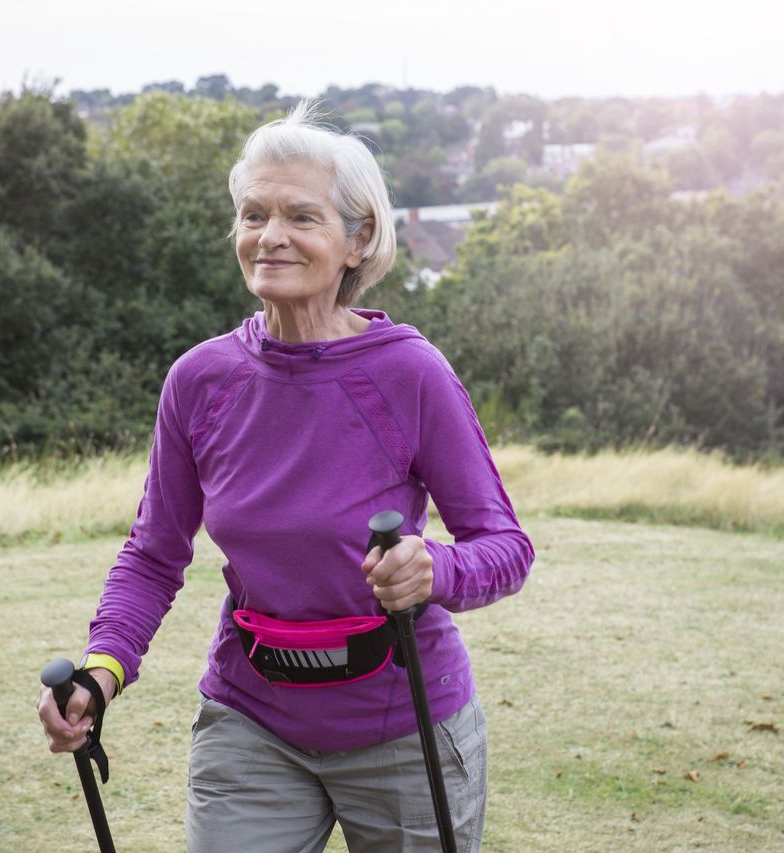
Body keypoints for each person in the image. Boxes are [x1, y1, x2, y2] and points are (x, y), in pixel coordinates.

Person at [38, 101, 534, 852]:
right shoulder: (200, 380)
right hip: (252, 720)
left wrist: (433, 569)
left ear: (357, 239)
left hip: (405, 723)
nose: (270, 236)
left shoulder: (410, 374)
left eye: (301, 216)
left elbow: (505, 544)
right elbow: (153, 553)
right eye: (253, 214)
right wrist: (103, 670)